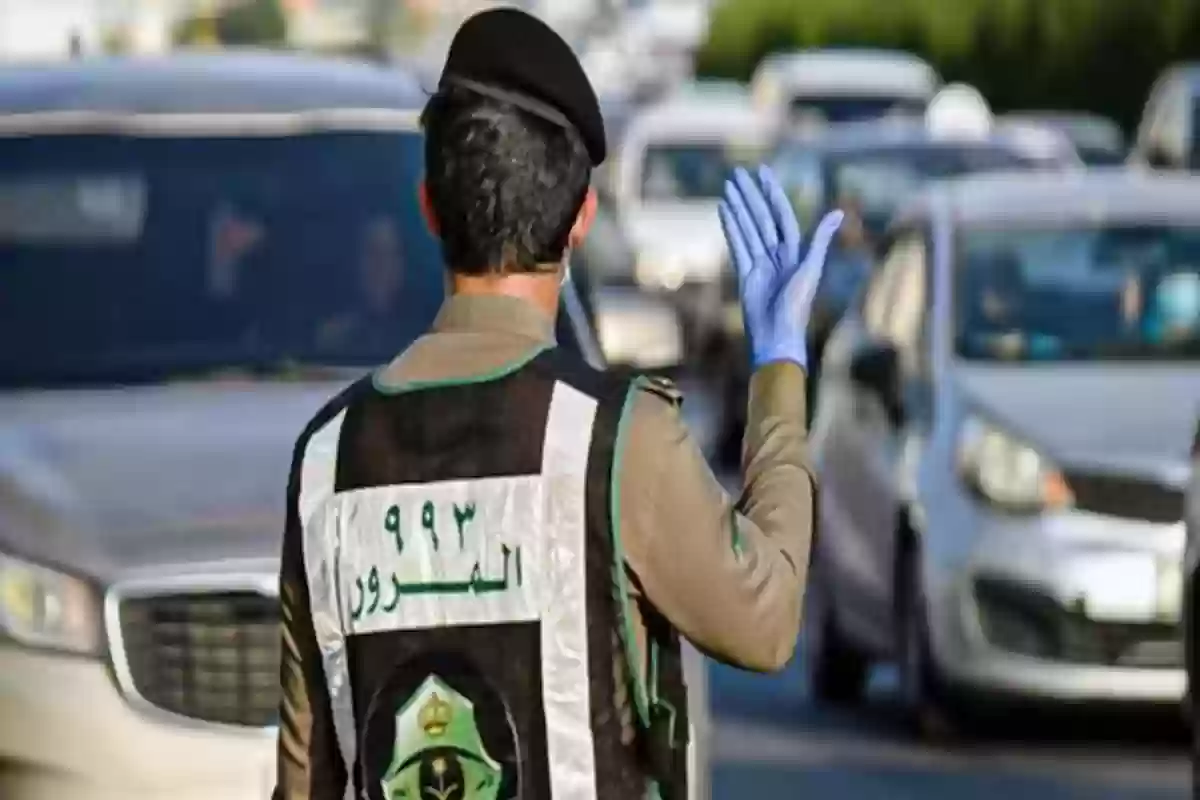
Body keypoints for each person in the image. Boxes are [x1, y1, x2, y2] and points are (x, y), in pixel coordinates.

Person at [273, 8, 842, 800]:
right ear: (581, 220)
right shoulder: (617, 441)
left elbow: (303, 778)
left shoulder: (327, 461)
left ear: (429, 209)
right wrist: (778, 368)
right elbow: (766, 619)